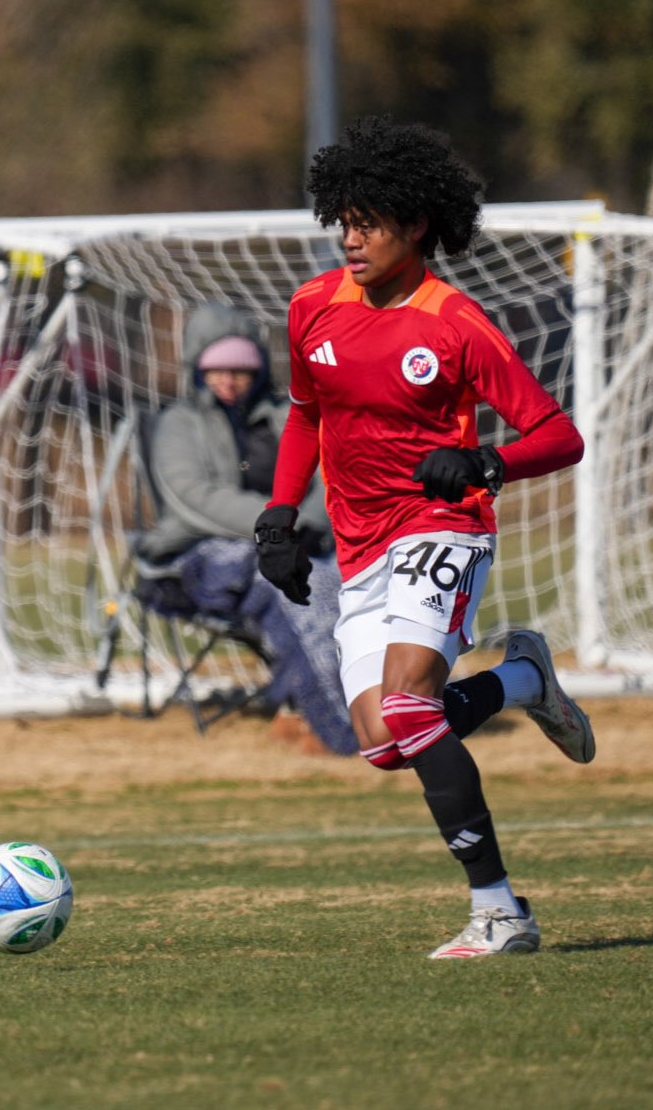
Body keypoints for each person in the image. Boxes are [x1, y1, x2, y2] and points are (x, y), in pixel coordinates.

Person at [254, 116, 595, 959]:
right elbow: (305, 416)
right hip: (361, 546)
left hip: (441, 528)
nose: (349, 238)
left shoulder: (455, 323)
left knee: (409, 707)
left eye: (367, 223)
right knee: (382, 742)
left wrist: (484, 462)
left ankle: (499, 911)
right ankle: (522, 679)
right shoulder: (311, 308)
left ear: (415, 224)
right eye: (343, 221)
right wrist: (279, 514)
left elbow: (560, 436)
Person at [137, 303, 358, 756]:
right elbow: (194, 497)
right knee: (302, 588)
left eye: (241, 369)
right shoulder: (178, 423)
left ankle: (394, 708)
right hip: (198, 555)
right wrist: (280, 527)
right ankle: (341, 725)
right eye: (217, 369)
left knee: (359, 581)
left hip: (300, 540)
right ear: (198, 368)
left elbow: (330, 475)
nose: (229, 380)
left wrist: (305, 524)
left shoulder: (289, 415)